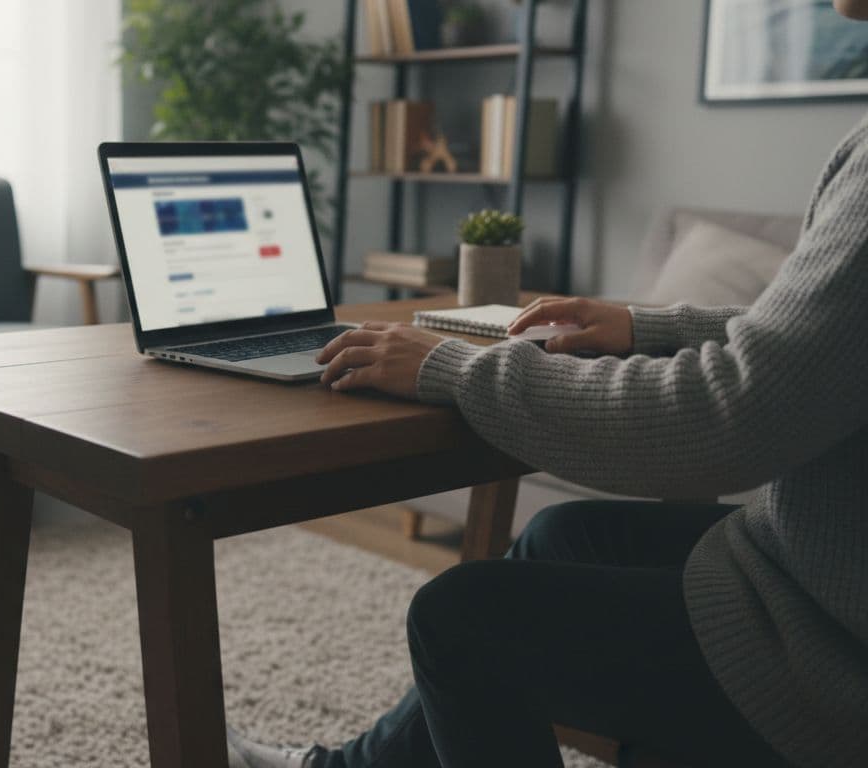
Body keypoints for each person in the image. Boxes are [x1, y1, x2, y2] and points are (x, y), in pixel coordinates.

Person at [227, 3, 868, 767]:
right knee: (563, 535)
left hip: (829, 657)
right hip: (815, 575)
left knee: (456, 617)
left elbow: (726, 420)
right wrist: (647, 327)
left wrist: (453, 364)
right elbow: (820, 345)